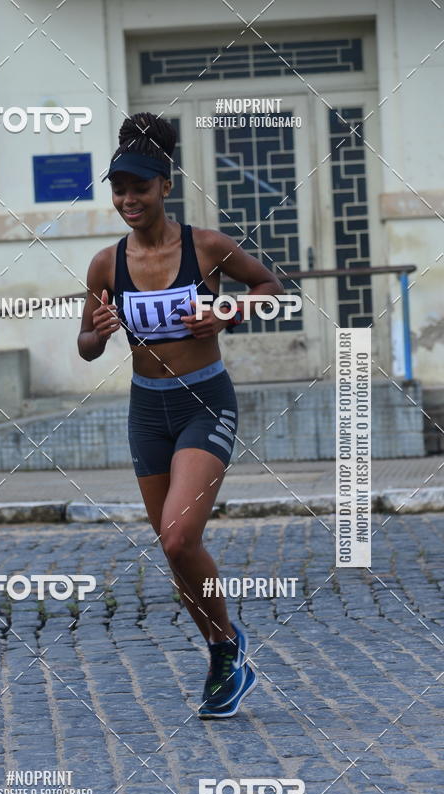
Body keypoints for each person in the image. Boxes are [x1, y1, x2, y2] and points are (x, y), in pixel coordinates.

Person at [77, 112, 282, 718]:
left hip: (204, 400)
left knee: (178, 534)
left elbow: (270, 288)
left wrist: (226, 312)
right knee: (173, 552)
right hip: (147, 411)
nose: (128, 200)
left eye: (139, 187)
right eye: (119, 189)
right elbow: (85, 346)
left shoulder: (206, 246)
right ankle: (224, 649)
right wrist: (101, 331)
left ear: (165, 186)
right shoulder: (105, 265)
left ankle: (225, 650)